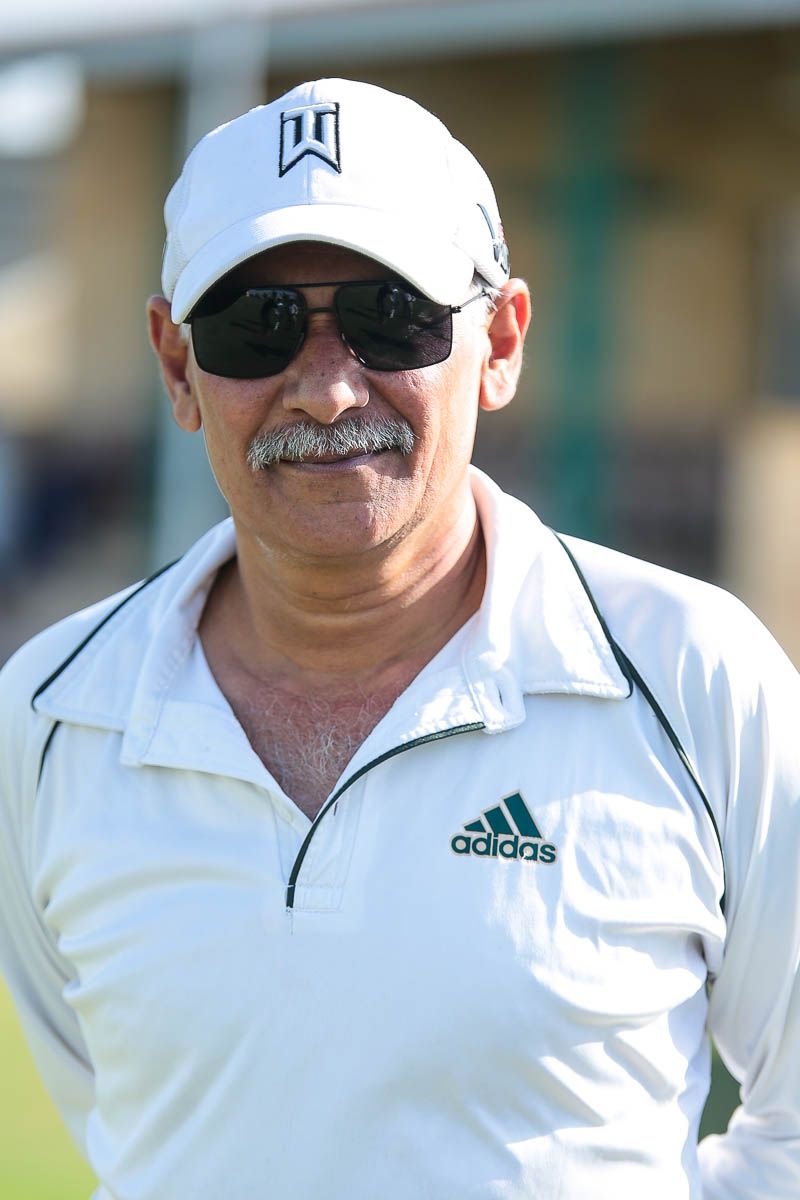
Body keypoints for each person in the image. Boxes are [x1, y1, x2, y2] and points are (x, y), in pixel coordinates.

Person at [0, 77, 798, 1200]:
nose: (327, 392)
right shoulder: (49, 716)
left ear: (499, 340)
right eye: (254, 327)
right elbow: (131, 1130)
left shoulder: (696, 678)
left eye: (392, 317)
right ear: (178, 367)